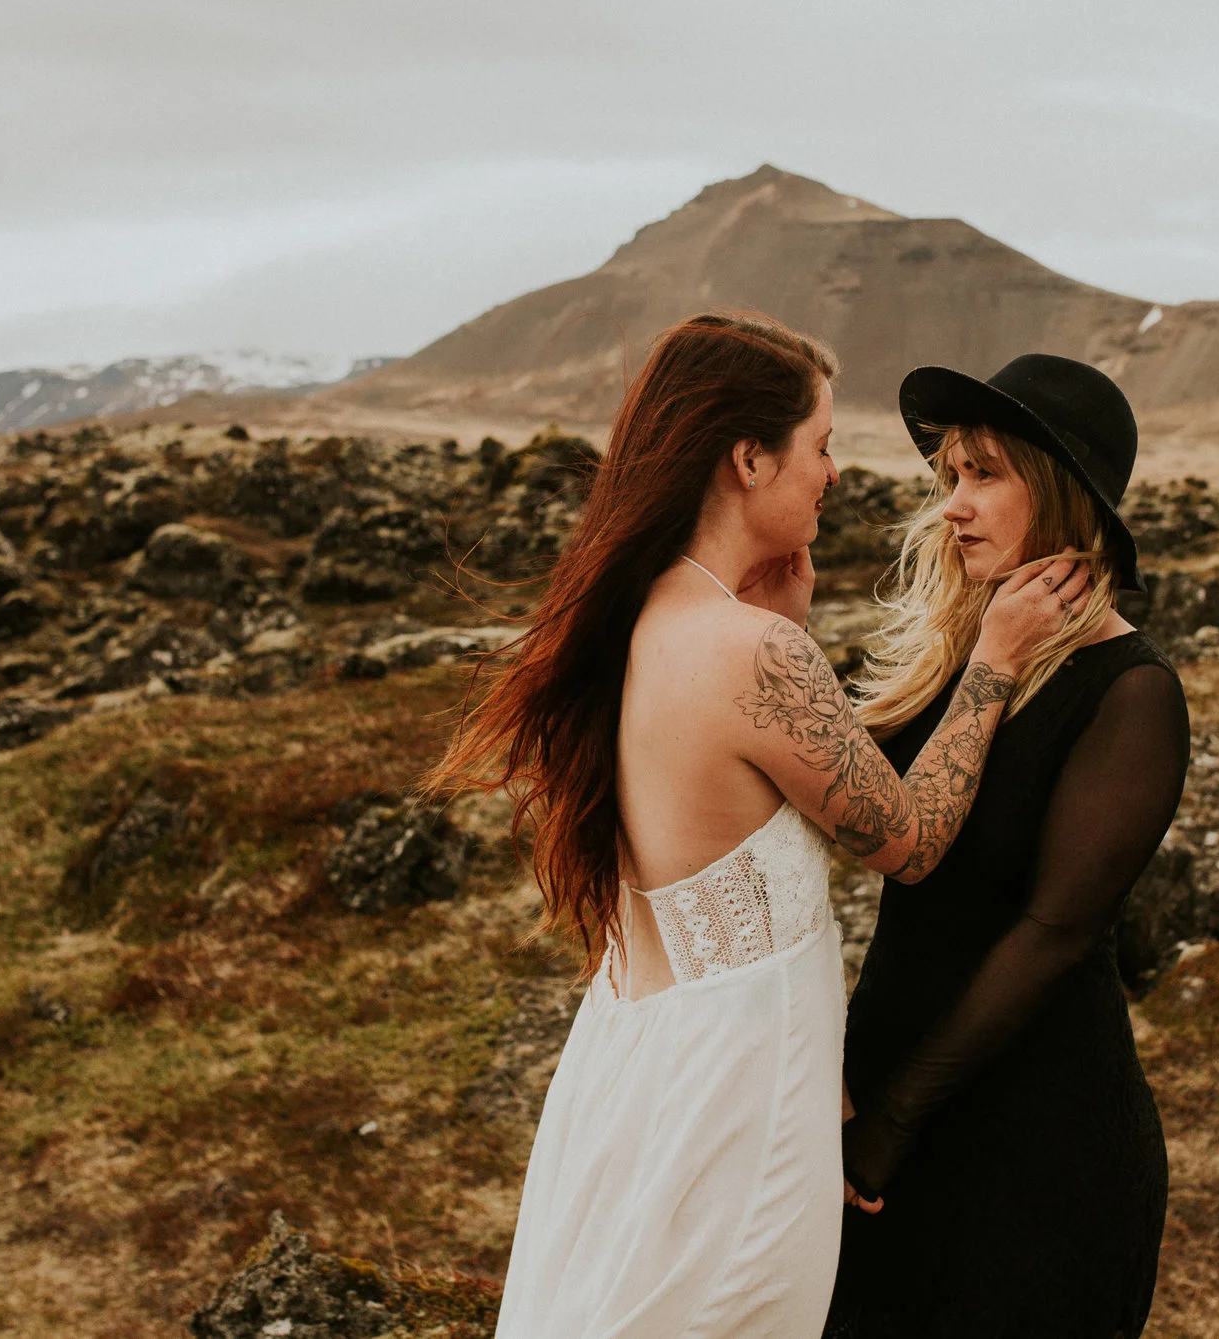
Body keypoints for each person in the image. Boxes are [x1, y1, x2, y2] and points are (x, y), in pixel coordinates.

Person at [428, 312, 1092, 1339]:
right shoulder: (748, 654)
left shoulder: (642, 616)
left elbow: (718, 804)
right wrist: (994, 661)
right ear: (748, 457)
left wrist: (781, 629)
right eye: (820, 444)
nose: (833, 473)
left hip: (642, 1067)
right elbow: (909, 841)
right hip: (735, 1100)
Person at [828, 353, 1192, 1339]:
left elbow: (1054, 933)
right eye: (947, 476)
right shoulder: (954, 654)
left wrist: (893, 1123)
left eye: (984, 473)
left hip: (1033, 1141)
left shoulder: (1130, 691)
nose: (952, 504)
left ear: (1063, 494)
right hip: (882, 1093)